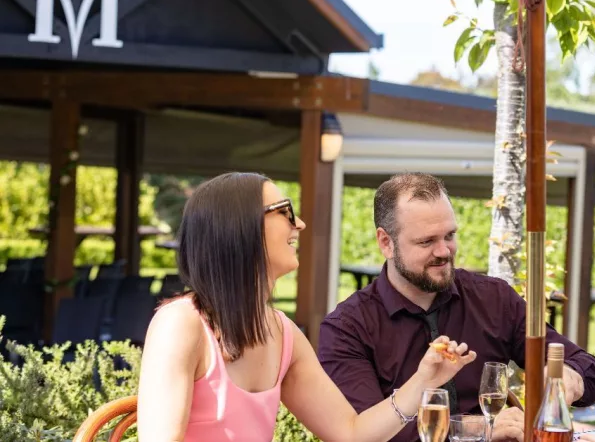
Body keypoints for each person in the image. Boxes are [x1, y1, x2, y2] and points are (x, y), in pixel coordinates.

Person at [136, 172, 476, 441]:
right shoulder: (181, 324)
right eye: (285, 212)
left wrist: (424, 380)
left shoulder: (282, 333)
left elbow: (351, 433)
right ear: (241, 227)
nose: (298, 224)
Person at [317, 172, 595, 442]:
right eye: (426, 241)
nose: (444, 252)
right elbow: (365, 433)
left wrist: (566, 381)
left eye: (450, 236)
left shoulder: (493, 298)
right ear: (386, 242)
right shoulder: (347, 328)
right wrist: (477, 429)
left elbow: (590, 370)